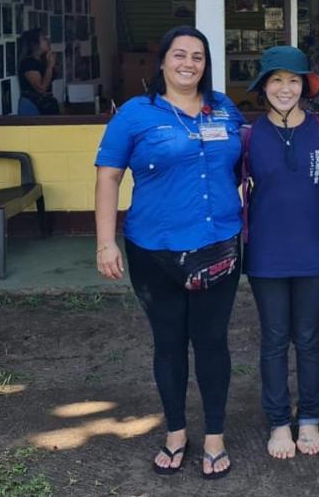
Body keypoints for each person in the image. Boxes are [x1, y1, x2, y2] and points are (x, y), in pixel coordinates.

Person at [94, 26, 244, 480]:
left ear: (206, 64)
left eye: (197, 56)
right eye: (179, 55)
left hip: (219, 244)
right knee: (169, 343)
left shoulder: (224, 109)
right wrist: (104, 241)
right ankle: (176, 432)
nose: (188, 64)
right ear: (161, 62)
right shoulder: (136, 115)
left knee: (213, 342)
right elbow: (108, 178)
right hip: (154, 251)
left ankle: (214, 436)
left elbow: (245, 163)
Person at [241, 46, 319, 461]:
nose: (285, 88)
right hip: (266, 254)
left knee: (310, 338)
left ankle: (310, 415)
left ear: (305, 86)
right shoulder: (248, 136)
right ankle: (279, 420)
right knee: (275, 339)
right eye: (276, 80)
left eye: (293, 80)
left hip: (315, 251)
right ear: (263, 86)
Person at [16, 28, 59, 115]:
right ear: (34, 44)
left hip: (47, 104)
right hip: (32, 106)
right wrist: (50, 66)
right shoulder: (28, 63)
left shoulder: (43, 60)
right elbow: (41, 88)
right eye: (43, 38)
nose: (47, 40)